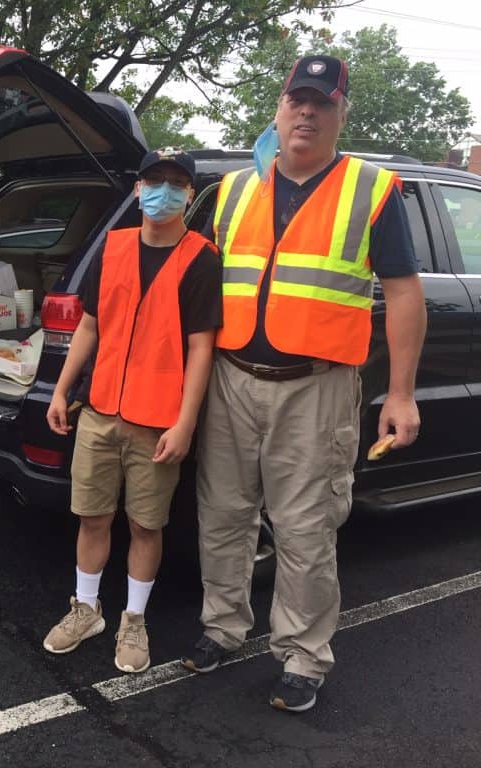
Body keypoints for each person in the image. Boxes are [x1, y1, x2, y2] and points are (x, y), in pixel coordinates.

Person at [180, 55, 427, 712]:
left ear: (341, 113)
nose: (307, 113)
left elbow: (403, 293)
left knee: (305, 526)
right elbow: (193, 286)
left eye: (322, 102)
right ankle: (222, 627)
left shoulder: (370, 189)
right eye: (298, 100)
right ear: (279, 108)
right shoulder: (234, 191)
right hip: (231, 381)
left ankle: (303, 654)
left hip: (316, 388)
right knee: (224, 515)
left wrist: (400, 393)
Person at [43, 149, 223, 673]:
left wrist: (186, 421)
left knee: (146, 525)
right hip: (100, 411)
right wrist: (61, 389)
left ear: (189, 194)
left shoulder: (201, 258)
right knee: (92, 516)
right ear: (138, 189)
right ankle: (86, 609)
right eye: (154, 180)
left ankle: (134, 620)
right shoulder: (114, 248)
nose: (163, 190)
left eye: (175, 182)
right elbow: (90, 327)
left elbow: (200, 348)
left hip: (157, 421)